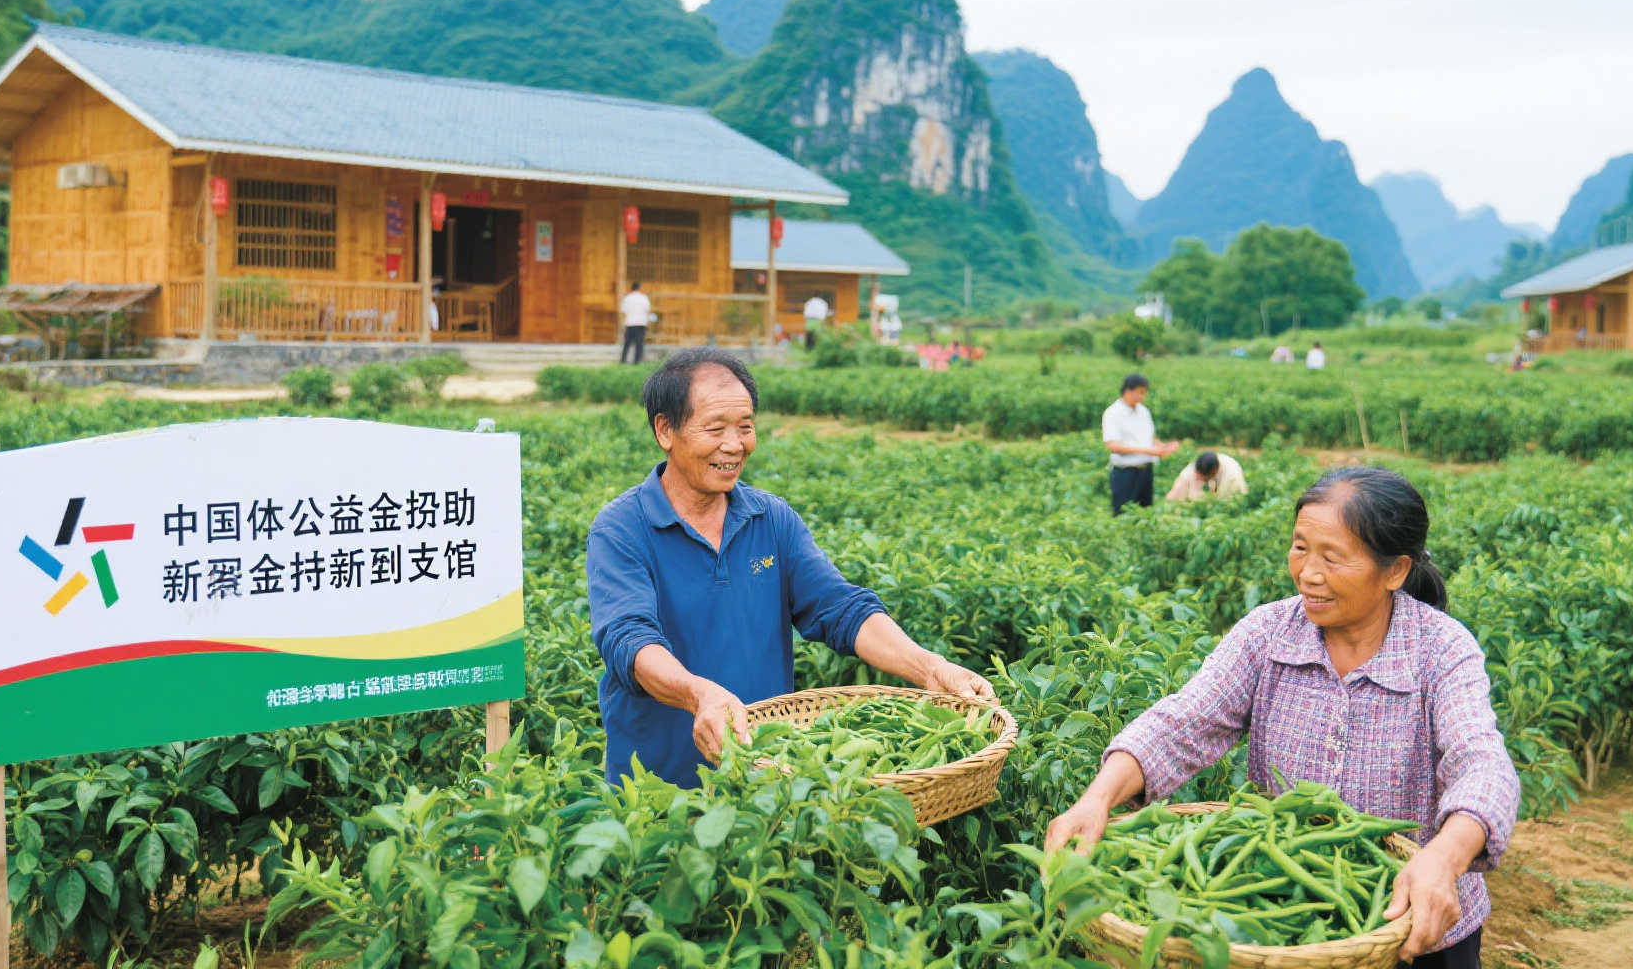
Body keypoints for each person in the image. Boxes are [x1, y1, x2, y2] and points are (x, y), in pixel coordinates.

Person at [1045, 467, 1519, 967]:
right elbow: (1182, 722)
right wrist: (1097, 799)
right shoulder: (1269, 632)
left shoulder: (1441, 648)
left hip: (1419, 920)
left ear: (1395, 571)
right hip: (1290, 930)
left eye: (1333, 557)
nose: (1309, 573)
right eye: (1300, 548)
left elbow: (1481, 761)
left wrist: (1443, 858)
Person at [587, 348, 993, 789]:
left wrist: (928, 667)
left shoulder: (771, 519)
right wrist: (698, 694)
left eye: (745, 427)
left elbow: (840, 607)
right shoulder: (622, 529)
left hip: (767, 785)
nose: (734, 444)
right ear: (665, 430)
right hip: (657, 790)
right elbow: (629, 640)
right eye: (715, 428)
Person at [1103, 373, 1179, 515]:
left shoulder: (1143, 411)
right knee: (1123, 514)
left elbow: (1150, 438)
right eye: (1140, 392)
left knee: (1145, 514)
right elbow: (1112, 446)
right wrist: (1149, 451)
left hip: (1145, 471)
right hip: (1125, 472)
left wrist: (1162, 447)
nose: (1142, 397)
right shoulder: (1113, 413)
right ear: (1128, 391)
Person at [1164, 449, 1248, 503]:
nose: (1199, 479)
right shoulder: (1195, 467)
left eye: (1203, 477)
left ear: (1213, 472)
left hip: (1228, 492)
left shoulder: (1232, 476)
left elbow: (1232, 502)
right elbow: (1174, 493)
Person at [620, 281, 651, 365]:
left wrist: (622, 324)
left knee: (627, 343)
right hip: (641, 323)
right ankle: (637, 361)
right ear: (639, 288)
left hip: (630, 323)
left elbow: (624, 311)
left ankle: (623, 360)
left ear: (631, 288)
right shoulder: (644, 298)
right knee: (639, 344)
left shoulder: (627, 298)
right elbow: (647, 310)